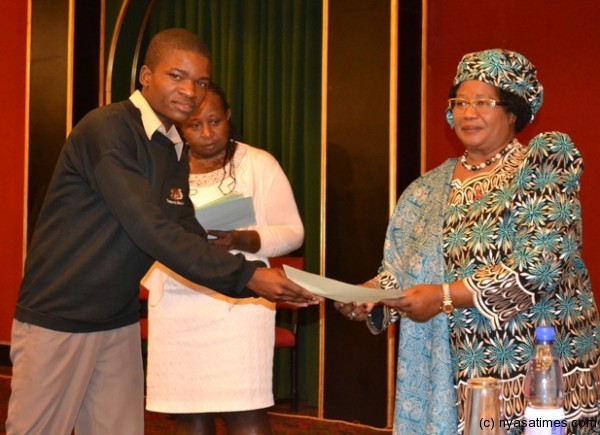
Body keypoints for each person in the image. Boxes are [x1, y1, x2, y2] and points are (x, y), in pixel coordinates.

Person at [7, 28, 319, 435]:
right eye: (177, 76)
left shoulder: (170, 143)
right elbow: (149, 229)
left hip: (115, 320)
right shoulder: (108, 129)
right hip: (61, 315)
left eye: (201, 82)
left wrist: (256, 280)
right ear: (145, 75)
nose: (190, 90)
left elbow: (184, 228)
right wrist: (250, 277)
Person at [335, 48, 600, 434]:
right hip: (448, 377)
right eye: (460, 102)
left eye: (483, 102)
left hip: (532, 370)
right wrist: (371, 296)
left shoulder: (543, 164)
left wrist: (443, 297)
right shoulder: (425, 189)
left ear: (512, 112)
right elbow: (400, 272)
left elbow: (540, 266)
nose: (468, 113)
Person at [142, 82, 304, 434]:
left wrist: (243, 238)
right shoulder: (166, 167)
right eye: (194, 125)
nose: (206, 134)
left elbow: (293, 232)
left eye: (215, 122)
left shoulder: (258, 164)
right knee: (187, 413)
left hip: (240, 305)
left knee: (243, 411)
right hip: (177, 305)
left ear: (228, 117)